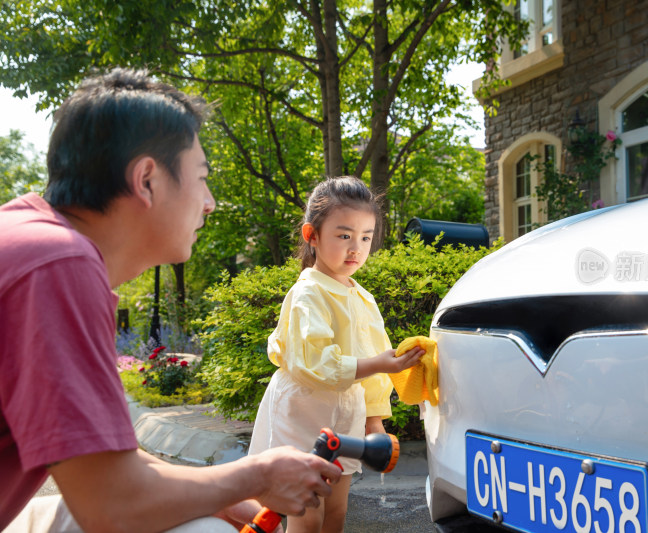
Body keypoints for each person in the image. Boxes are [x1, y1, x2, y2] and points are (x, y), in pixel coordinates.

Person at [0, 68, 341, 533]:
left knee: (197, 513)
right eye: (201, 178)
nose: (210, 202)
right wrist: (256, 475)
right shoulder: (57, 265)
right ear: (146, 180)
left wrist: (224, 492)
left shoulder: (31, 240)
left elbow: (104, 460)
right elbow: (111, 504)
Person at [248, 176, 425, 533]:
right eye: (344, 236)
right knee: (306, 510)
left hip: (346, 412)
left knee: (336, 511)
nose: (356, 248)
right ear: (311, 235)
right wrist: (378, 363)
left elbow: (375, 360)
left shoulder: (362, 296)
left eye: (365, 237)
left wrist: (374, 421)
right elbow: (315, 363)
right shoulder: (308, 293)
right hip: (303, 411)